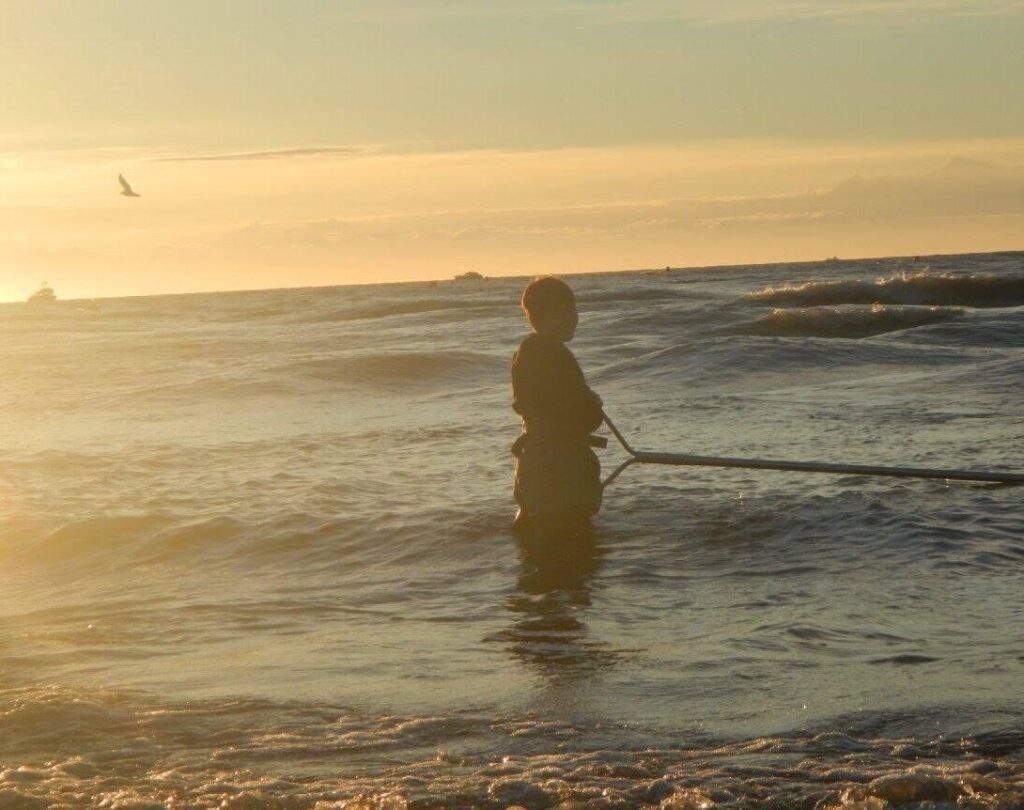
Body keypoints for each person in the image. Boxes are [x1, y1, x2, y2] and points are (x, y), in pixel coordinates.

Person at [511, 277, 604, 536]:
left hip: (534, 458)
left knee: (535, 524)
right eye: (570, 310)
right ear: (553, 315)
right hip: (560, 463)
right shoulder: (556, 356)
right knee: (567, 530)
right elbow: (581, 412)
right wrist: (594, 404)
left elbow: (530, 403)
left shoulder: (526, 353)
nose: (576, 318)